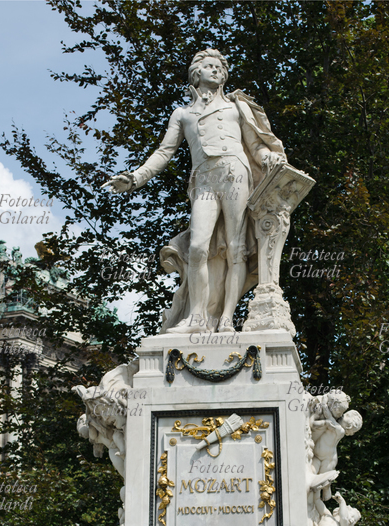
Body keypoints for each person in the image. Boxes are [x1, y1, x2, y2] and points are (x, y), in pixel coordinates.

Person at [103, 49, 286, 334]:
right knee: (198, 247)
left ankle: (226, 318)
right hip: (203, 180)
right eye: (210, 66)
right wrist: (136, 177)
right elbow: (164, 152)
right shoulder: (183, 114)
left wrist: (269, 157)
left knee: (236, 248)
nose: (217, 71)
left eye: (220, 68)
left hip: (235, 173)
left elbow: (256, 146)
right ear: (196, 73)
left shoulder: (237, 107)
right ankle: (197, 318)